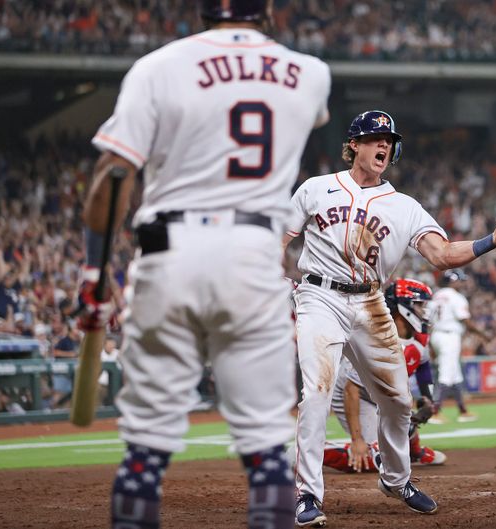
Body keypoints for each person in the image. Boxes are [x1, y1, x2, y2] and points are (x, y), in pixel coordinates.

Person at [79, 1, 331, 528]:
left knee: (146, 445)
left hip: (169, 254)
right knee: (265, 447)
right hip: (253, 258)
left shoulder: (158, 66)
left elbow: (115, 175)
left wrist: (92, 276)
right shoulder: (311, 74)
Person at [284, 109, 496, 527]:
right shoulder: (316, 189)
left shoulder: (404, 206)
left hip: (372, 302)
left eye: (389, 142)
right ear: (353, 145)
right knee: (317, 391)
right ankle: (307, 495)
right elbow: (277, 239)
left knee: (397, 399)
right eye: (375, 139)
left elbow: (443, 255)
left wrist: (489, 242)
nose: (383, 147)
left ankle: (396, 479)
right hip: (319, 297)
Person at [323, 278, 446, 474]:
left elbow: (423, 365)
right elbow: (351, 390)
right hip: (357, 394)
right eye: (420, 304)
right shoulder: (376, 340)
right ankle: (312, 451)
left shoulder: (420, 336)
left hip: (382, 393)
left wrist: (427, 398)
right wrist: (357, 441)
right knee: (376, 458)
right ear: (403, 307)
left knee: (403, 406)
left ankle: (413, 451)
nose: (425, 310)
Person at [428, 269, 482, 424]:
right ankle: (434, 412)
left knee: (455, 374)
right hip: (449, 336)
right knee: (446, 374)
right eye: (460, 280)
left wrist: (431, 343)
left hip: (437, 335)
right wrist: (483, 335)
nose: (462, 283)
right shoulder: (456, 297)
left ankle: (463, 411)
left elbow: (429, 320)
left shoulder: (436, 295)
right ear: (452, 281)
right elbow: (465, 320)